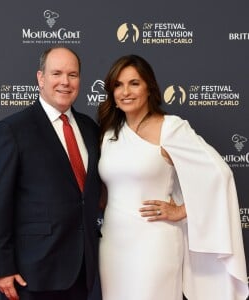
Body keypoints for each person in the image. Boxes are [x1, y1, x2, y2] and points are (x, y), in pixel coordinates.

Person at [97, 54, 248, 300]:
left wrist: (181, 210)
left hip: (156, 243)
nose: (126, 91)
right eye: (118, 84)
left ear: (149, 88)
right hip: (113, 244)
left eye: (134, 83)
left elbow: (220, 174)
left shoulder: (171, 127)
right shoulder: (109, 133)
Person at [0, 46, 102, 300]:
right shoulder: (13, 130)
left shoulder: (90, 129)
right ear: (40, 78)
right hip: (33, 274)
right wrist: (2, 268)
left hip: (82, 271)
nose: (65, 82)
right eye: (56, 73)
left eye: (73, 75)